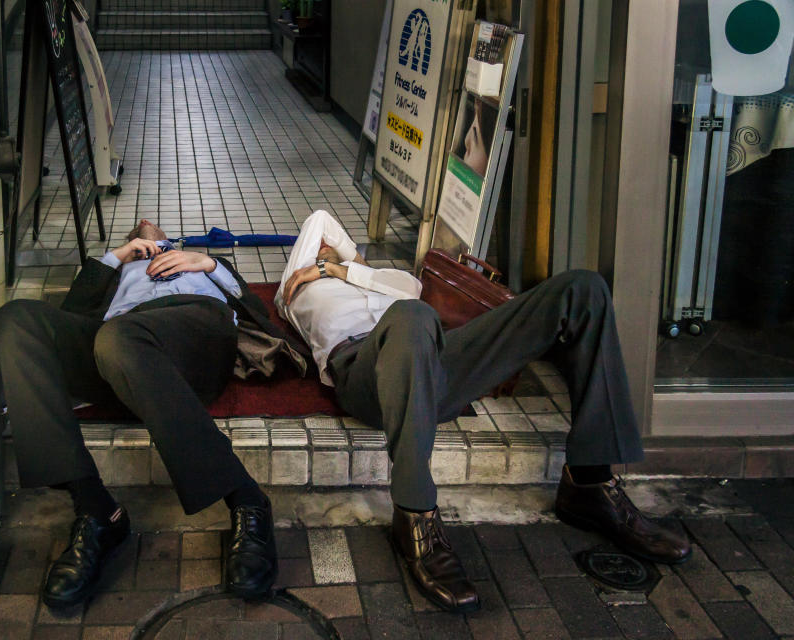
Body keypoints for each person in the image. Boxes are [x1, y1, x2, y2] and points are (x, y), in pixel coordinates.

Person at [276, 210, 691, 613]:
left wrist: (345, 267)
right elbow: (319, 219)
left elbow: (409, 287)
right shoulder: (297, 293)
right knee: (411, 317)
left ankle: (589, 484)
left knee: (583, 288)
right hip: (364, 370)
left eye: (332, 248)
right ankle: (415, 514)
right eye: (319, 251)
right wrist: (319, 269)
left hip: (433, 360)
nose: (324, 252)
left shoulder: (383, 279)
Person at [0, 220, 280, 608]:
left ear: (167, 237)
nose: (148, 227)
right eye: (139, 231)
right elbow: (74, 310)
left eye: (154, 228)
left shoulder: (201, 263)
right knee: (16, 319)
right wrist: (118, 258)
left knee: (118, 338)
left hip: (194, 329)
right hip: (118, 347)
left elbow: (255, 307)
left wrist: (207, 263)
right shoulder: (116, 269)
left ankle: (246, 498)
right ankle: (97, 511)